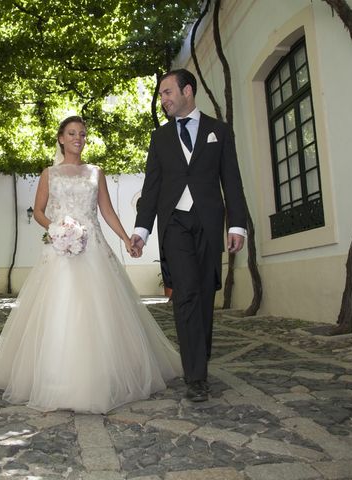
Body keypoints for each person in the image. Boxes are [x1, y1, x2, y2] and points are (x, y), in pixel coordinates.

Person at [0, 116, 182, 414]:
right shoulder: (49, 173)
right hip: (60, 251)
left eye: (83, 133)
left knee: (100, 312)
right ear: (61, 138)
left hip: (94, 249)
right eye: (72, 133)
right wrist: (56, 228)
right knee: (59, 312)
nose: (78, 138)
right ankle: (56, 381)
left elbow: (107, 211)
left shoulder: (95, 172)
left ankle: (102, 378)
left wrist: (127, 238)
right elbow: (37, 211)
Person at [131, 69, 247, 402]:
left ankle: (200, 351)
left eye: (168, 92)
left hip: (209, 223)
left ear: (187, 91)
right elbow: (151, 189)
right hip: (175, 226)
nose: (163, 99)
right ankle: (196, 376)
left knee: (204, 291)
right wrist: (142, 230)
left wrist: (236, 225)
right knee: (185, 294)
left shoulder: (219, 132)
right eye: (162, 94)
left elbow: (232, 181)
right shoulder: (160, 139)